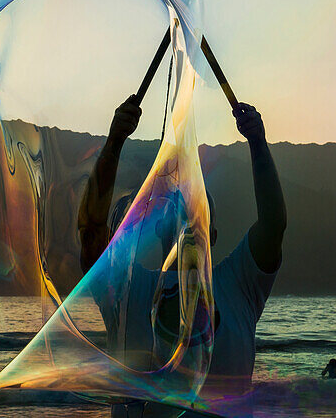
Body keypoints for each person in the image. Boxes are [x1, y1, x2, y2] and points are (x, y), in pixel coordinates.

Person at [79, 96, 286, 417]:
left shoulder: (239, 282)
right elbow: (91, 230)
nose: (187, 214)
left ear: (213, 234)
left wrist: (258, 143)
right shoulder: (128, 290)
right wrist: (114, 143)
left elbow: (273, 224)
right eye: (178, 209)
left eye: (198, 214)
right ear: (160, 227)